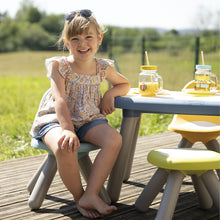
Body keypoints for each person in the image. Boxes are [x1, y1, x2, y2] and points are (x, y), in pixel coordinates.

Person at [30, 9, 130, 219]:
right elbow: (59, 99)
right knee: (64, 145)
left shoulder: (103, 67)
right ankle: (79, 197)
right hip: (56, 120)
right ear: (67, 43)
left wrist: (110, 94)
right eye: (75, 39)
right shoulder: (60, 66)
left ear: (99, 39)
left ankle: (91, 193)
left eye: (88, 37)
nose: (82, 43)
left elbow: (124, 84)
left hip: (88, 119)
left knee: (114, 139)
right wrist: (67, 130)